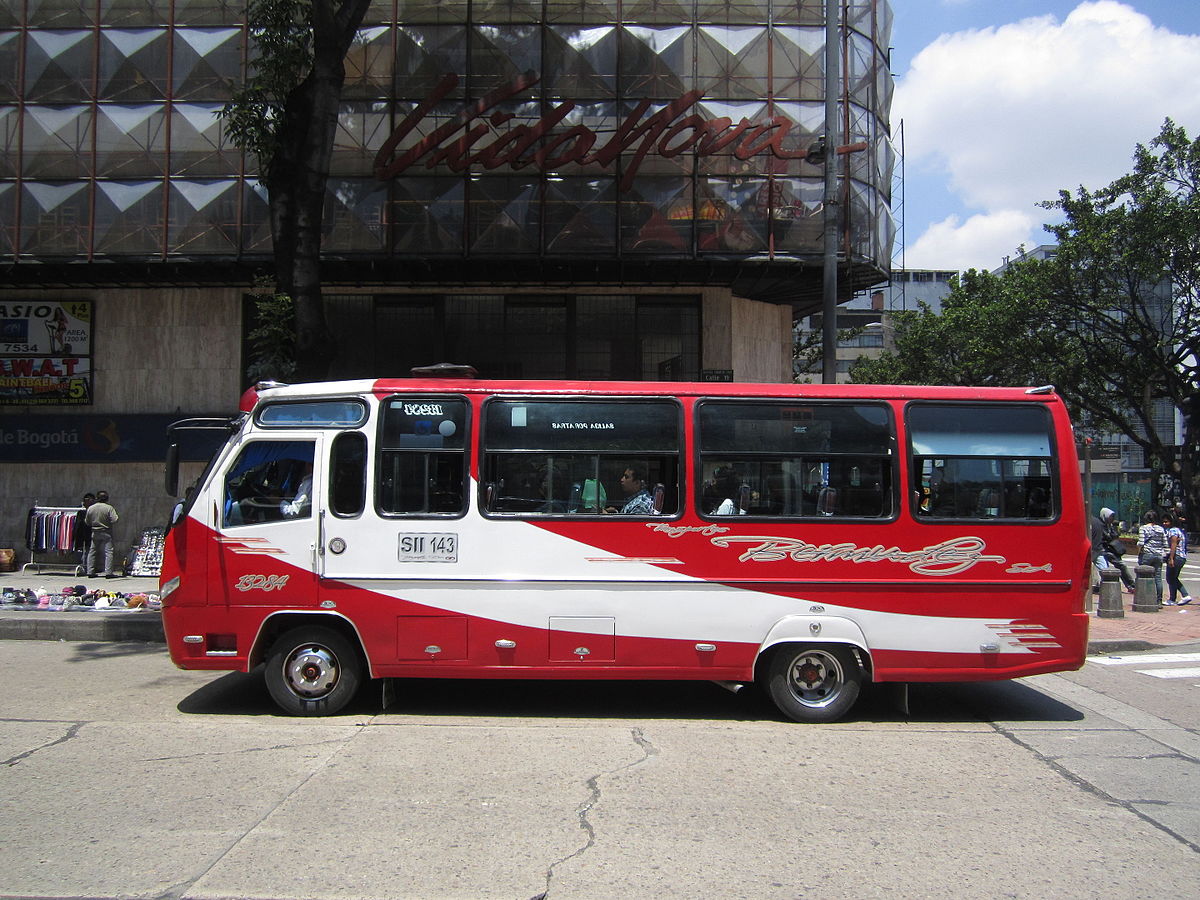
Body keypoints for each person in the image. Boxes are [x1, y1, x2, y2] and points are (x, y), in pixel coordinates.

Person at [1091, 506, 1135, 593]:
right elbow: (1105, 538)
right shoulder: (1099, 524)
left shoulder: (1109, 525)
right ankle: (1109, 586)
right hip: (1102, 550)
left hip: (1109, 550)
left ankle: (1129, 585)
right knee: (1107, 569)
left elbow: (1114, 536)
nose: (1112, 518)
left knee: (1120, 566)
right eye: (1110, 516)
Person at [84, 490, 120, 578]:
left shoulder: (91, 508)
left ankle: (90, 571)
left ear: (97, 498)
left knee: (92, 551)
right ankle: (108, 572)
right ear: (107, 498)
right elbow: (115, 519)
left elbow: (87, 521)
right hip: (106, 532)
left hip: (95, 532)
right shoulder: (109, 508)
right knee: (109, 552)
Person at [1136, 509, 1168, 606]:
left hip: (1147, 554)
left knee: (1142, 576)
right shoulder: (1160, 529)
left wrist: (1138, 547)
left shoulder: (1143, 528)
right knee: (1157, 578)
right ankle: (1159, 600)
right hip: (1158, 555)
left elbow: (1141, 543)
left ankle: (1143, 598)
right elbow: (1165, 544)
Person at [1163, 510, 1193, 605]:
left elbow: (1173, 545)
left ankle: (1175, 598)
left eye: (1166, 521)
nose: (1164, 523)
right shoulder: (1179, 530)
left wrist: (1171, 558)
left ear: (1172, 522)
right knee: (1173, 578)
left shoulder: (1173, 531)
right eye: (1163, 521)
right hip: (1182, 557)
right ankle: (1182, 596)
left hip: (1177, 557)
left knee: (1170, 577)